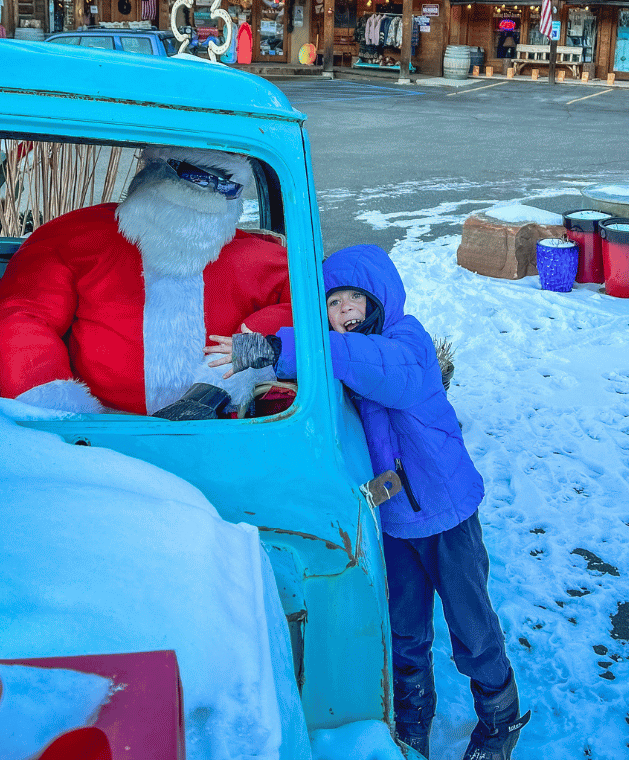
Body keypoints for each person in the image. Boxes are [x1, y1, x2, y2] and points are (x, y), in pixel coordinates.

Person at [205, 243, 528, 760]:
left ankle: (499, 718)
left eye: (356, 298)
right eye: (333, 303)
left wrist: (283, 346)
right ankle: (413, 724)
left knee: (471, 624)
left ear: (380, 298)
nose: (346, 311)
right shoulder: (343, 356)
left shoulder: (407, 343)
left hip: (447, 515)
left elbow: (381, 368)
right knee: (404, 629)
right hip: (396, 518)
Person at [0, 147, 292, 416]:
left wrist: (249, 347)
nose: (208, 190)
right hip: (101, 427)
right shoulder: (77, 237)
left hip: (221, 430)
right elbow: (23, 314)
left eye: (225, 184)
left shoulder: (260, 258)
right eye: (197, 177)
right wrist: (54, 404)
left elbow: (312, 312)